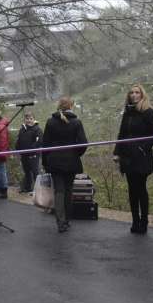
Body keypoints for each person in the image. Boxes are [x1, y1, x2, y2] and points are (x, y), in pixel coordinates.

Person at [113, 84, 153, 234]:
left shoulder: (148, 112)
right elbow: (121, 134)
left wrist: (142, 147)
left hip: (141, 158)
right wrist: (117, 152)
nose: (134, 95)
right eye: (131, 93)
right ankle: (135, 221)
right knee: (132, 190)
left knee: (141, 189)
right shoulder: (127, 113)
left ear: (142, 95)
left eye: (137, 92)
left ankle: (144, 222)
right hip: (127, 158)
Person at [42, 97, 88, 233]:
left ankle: (60, 221)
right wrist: (76, 154)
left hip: (54, 161)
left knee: (59, 191)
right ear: (71, 106)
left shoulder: (50, 122)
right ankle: (67, 219)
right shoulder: (76, 122)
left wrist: (46, 161)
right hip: (71, 161)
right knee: (68, 190)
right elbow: (83, 143)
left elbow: (45, 145)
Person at [16, 112, 43, 193]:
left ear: (34, 119)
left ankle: (38, 190)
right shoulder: (22, 129)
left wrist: (32, 149)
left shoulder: (37, 129)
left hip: (33, 154)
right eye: (27, 119)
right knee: (27, 172)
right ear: (24, 120)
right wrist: (18, 148)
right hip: (24, 154)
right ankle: (28, 188)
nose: (29, 120)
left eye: (31, 119)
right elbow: (19, 140)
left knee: (35, 172)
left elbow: (39, 141)